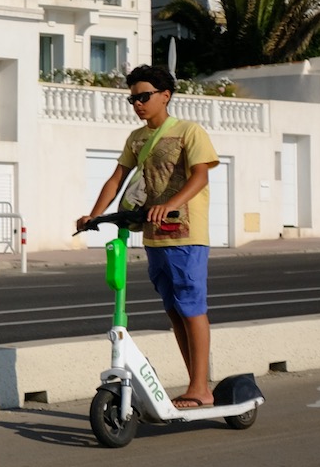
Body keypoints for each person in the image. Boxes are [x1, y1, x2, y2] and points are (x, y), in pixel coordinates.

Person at [78, 65, 219, 407]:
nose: (138, 104)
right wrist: (94, 214)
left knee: (191, 307)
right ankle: (196, 383)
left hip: (186, 234)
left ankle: (201, 388)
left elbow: (200, 176)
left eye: (144, 97)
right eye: (133, 99)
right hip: (155, 235)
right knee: (174, 309)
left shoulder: (189, 131)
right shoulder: (136, 138)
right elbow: (117, 179)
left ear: (165, 96)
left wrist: (171, 204)